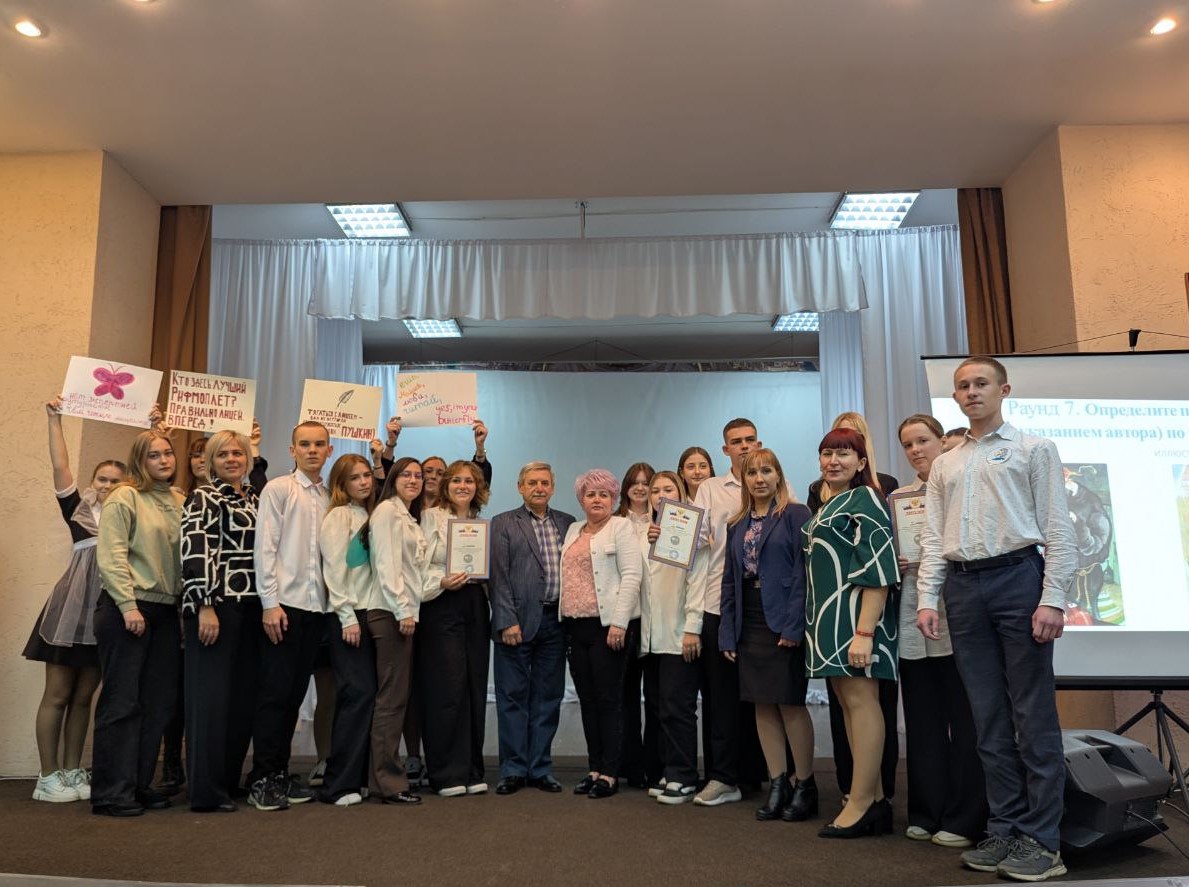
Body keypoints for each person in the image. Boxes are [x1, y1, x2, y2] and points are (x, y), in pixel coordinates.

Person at [916, 357, 1075, 882]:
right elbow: (934, 537)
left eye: (981, 383)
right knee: (986, 718)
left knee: (1033, 716)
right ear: (955, 397)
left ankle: (1043, 843)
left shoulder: (1034, 448)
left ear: (1003, 390)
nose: (971, 391)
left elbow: (1058, 528)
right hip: (963, 588)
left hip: (1018, 580)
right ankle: (1004, 829)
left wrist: (1053, 598)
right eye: (963, 386)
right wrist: (927, 597)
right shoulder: (946, 463)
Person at [25, 398, 125, 803]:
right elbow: (60, 467)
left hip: (105, 614)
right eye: (102, 478)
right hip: (70, 614)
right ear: (93, 481)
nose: (107, 485)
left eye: (116, 480)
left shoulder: (129, 518)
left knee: (84, 697)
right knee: (58, 694)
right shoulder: (78, 511)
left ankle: (70, 770)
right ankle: (47, 776)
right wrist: (55, 420)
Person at [894, 415, 987, 847]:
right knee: (922, 721)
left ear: (941, 442)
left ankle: (965, 818)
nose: (916, 450)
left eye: (923, 441)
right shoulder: (898, 498)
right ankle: (926, 810)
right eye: (908, 444)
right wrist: (894, 561)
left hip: (958, 615)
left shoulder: (964, 488)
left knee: (965, 722)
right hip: (913, 619)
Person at [804, 427, 899, 839]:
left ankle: (860, 803)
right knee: (848, 704)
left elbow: (878, 567)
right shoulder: (831, 502)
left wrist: (864, 632)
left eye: (843, 453)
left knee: (862, 703)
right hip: (830, 620)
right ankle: (872, 799)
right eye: (827, 453)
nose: (833, 461)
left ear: (861, 462)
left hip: (856, 620)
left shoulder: (866, 499)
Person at [719, 450, 818, 823]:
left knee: (790, 703)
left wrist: (794, 626)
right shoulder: (736, 523)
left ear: (778, 475)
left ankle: (804, 784)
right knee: (761, 704)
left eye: (766, 471)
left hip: (783, 620)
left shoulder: (796, 515)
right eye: (752, 473)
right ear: (744, 480)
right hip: (749, 621)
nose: (759, 478)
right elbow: (730, 581)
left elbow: (804, 574)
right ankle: (778, 783)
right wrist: (727, 632)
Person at [91, 430, 185, 817]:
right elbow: (111, 555)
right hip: (127, 608)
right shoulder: (124, 497)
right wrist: (128, 606)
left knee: (158, 704)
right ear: (138, 461)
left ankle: (138, 785)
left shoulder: (179, 500)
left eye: (168, 453)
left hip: (166, 612)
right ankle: (111, 793)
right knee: (122, 703)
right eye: (153, 455)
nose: (164, 460)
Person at [248, 421, 333, 812]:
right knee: (274, 696)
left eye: (319, 444)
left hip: (318, 610)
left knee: (295, 696)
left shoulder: (330, 497)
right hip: (284, 608)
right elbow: (265, 548)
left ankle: (280, 773)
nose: (312, 450)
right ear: (292, 450)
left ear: (329, 450)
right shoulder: (279, 489)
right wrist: (269, 603)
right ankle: (262, 778)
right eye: (305, 444)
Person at [691, 418, 772, 807]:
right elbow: (691, 538)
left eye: (749, 440)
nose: (744, 446)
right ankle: (723, 775)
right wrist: (674, 534)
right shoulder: (710, 488)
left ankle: (757, 773)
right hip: (718, 601)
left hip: (760, 604)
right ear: (725, 450)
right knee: (721, 695)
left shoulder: (773, 483)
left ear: (759, 442)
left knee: (760, 693)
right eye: (736, 442)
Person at [180, 429, 261, 813]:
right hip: (216, 607)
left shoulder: (255, 498)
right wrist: (205, 604)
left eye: (237, 453)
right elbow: (196, 550)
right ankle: (206, 792)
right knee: (209, 702)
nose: (231, 459)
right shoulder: (203, 496)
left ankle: (227, 781)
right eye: (223, 454)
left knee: (241, 701)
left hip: (251, 607)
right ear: (210, 462)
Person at [489, 462, 577, 795]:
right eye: (532, 483)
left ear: (552, 487)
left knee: (548, 697)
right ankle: (513, 769)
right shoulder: (503, 523)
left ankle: (540, 768)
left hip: (556, 623)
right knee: (512, 697)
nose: (539, 488)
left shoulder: (568, 523)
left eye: (544, 483)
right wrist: (506, 620)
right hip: (516, 622)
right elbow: (498, 577)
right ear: (520, 487)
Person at [561, 468, 643, 799]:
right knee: (588, 700)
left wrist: (620, 623)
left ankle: (610, 772)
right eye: (590, 494)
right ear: (581, 500)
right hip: (574, 626)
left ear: (613, 499)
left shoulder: (620, 527)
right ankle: (594, 768)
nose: (597, 499)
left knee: (609, 700)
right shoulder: (573, 530)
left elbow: (632, 576)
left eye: (604, 494)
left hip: (607, 627)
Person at [420, 460, 492, 796]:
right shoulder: (428, 518)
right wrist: (440, 581)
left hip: (474, 603)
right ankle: (446, 773)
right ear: (446, 485)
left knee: (474, 685)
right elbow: (415, 564)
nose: (463, 486)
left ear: (478, 487)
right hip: (440, 603)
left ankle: (471, 769)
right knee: (447, 686)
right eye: (457, 481)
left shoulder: (480, 523)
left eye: (469, 481)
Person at [638, 471, 706, 805]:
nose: (661, 495)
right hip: (650, 637)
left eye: (669, 489)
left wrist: (693, 627)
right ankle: (668, 769)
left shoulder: (693, 531)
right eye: (655, 490)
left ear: (680, 493)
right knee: (658, 706)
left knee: (678, 708)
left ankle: (684, 776)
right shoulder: (643, 533)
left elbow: (697, 582)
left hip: (679, 634)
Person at [318, 453, 381, 807]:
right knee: (356, 695)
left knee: (368, 697)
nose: (363, 482)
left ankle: (358, 779)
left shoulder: (372, 515)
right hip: (347, 615)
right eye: (355, 477)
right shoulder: (338, 517)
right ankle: (337, 784)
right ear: (341, 484)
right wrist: (346, 616)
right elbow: (334, 571)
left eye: (367, 475)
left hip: (371, 614)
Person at [367, 456, 427, 805]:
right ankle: (388, 782)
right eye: (406, 474)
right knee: (391, 700)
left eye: (418, 475)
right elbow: (386, 564)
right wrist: (403, 609)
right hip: (390, 613)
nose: (413, 480)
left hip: (401, 612)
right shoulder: (388, 511)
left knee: (395, 698)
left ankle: (383, 780)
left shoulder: (407, 515)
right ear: (393, 478)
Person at [615, 461, 658, 788]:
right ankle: (629, 765)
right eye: (636, 482)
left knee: (656, 698)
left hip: (658, 619)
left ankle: (655, 766)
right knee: (624, 697)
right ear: (626, 487)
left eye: (648, 483)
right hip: (625, 620)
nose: (641, 488)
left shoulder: (667, 521)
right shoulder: (613, 523)